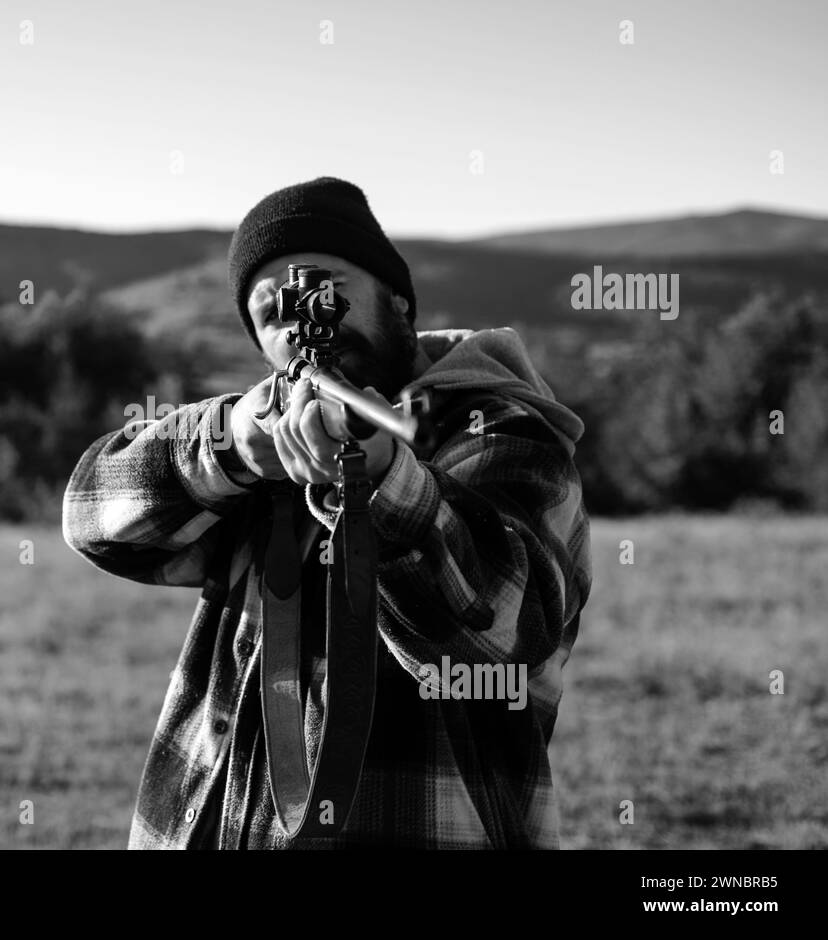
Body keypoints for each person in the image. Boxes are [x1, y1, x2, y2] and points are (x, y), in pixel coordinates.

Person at [62, 176, 592, 849]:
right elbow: (93, 517)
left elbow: (504, 631)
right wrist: (227, 448)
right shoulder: (258, 441)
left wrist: (384, 482)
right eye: (271, 311)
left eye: (327, 290)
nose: (303, 320)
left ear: (398, 300)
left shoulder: (502, 431)